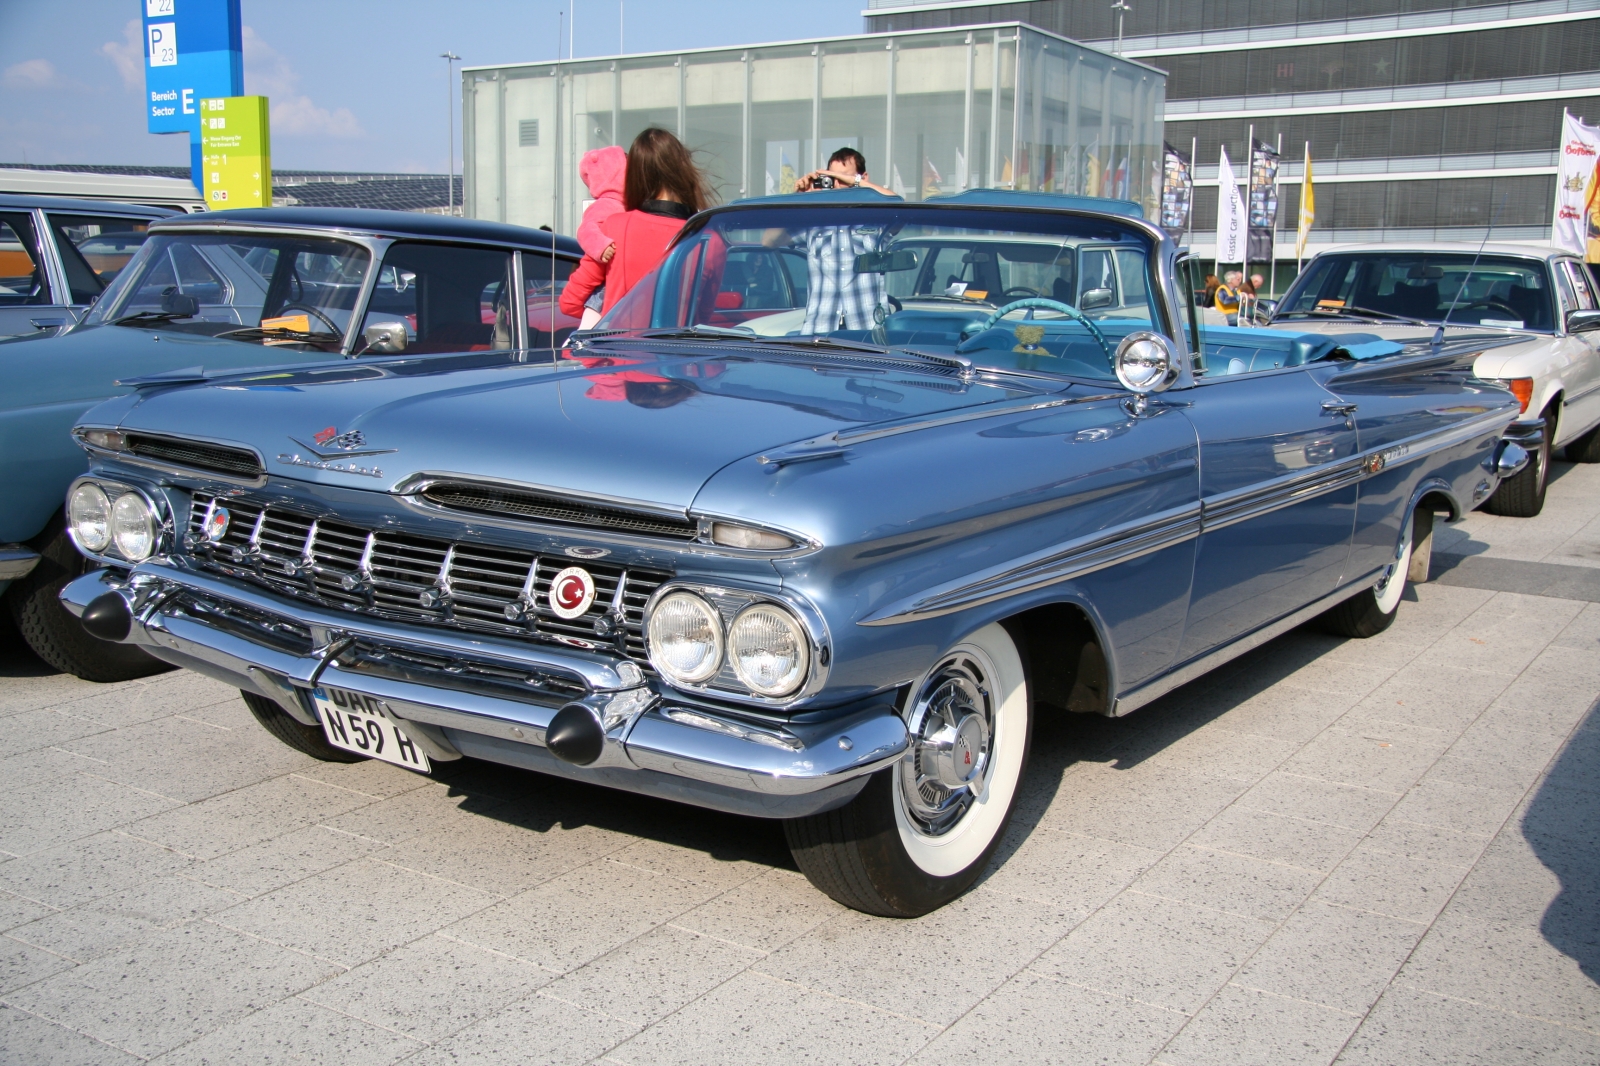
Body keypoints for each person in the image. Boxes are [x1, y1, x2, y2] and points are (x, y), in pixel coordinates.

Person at [560, 128, 712, 321]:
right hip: (677, 339)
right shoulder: (708, 238)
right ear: (684, 170)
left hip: (621, 339)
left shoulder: (614, 226)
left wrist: (607, 314)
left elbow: (570, 302)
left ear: (633, 175)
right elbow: (703, 315)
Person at [572, 146, 627, 329]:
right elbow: (585, 230)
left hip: (617, 280)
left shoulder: (627, 205)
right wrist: (601, 247)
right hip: (605, 284)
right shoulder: (602, 206)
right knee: (588, 330)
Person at [794, 148, 893, 195]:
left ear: (864, 178)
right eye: (832, 178)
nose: (836, 183)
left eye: (843, 178)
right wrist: (801, 197)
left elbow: (895, 200)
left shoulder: (871, 206)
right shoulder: (819, 207)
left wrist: (855, 182)